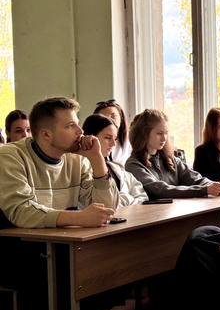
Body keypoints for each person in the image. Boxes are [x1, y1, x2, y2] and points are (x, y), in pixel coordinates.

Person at [0, 96, 119, 228]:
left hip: (63, 239)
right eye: (70, 126)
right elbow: (21, 211)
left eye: (77, 124)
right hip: (20, 240)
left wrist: (97, 159)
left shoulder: (77, 159)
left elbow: (106, 211)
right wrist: (79, 218)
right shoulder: (10, 157)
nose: (80, 131)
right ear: (46, 134)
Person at [125, 109, 220, 199]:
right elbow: (160, 190)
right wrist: (204, 190)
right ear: (144, 134)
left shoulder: (170, 158)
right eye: (159, 133)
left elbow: (193, 178)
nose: (164, 138)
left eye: (166, 133)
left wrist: (215, 185)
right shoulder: (133, 164)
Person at [82, 114, 148, 206]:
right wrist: (129, 198)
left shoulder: (116, 167)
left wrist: (119, 200)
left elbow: (142, 196)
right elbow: (102, 204)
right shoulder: (82, 169)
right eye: (107, 137)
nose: (113, 144)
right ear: (91, 137)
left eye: (115, 139)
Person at [94, 99, 132, 165]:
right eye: (104, 118)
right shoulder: (92, 141)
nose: (109, 120)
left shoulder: (131, 140)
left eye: (113, 116)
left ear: (121, 119)